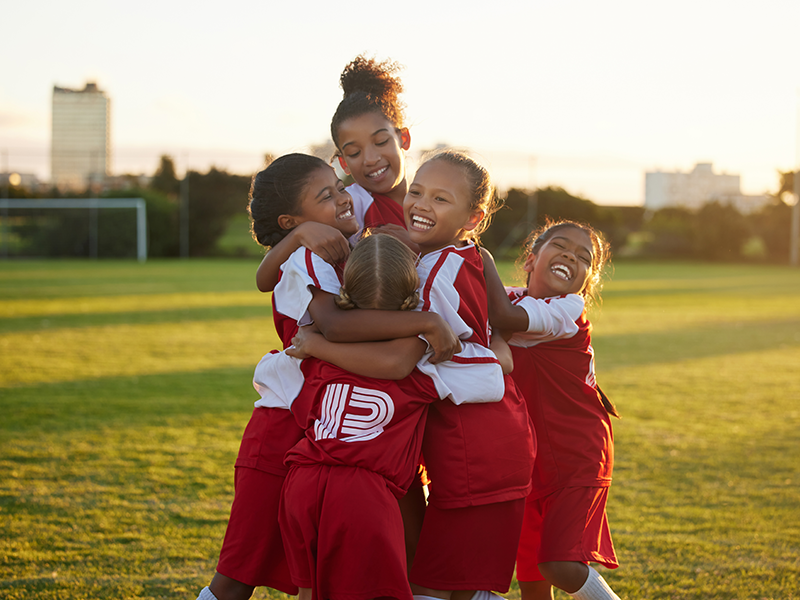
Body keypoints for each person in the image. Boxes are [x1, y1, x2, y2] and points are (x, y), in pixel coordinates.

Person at [196, 155, 459, 600]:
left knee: (402, 557)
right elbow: (333, 325)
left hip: (345, 425)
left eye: (339, 187)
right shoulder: (307, 255)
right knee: (239, 573)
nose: (343, 197)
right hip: (289, 425)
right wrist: (428, 322)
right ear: (291, 221)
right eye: (326, 195)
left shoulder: (343, 243)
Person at [253, 233, 508, 600]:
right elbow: (494, 375)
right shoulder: (422, 365)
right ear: (413, 297)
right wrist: (496, 336)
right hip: (363, 493)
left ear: (345, 291)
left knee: (311, 593)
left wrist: (316, 344)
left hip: (302, 482)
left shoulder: (315, 358)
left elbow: (268, 376)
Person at [403, 150, 536, 600]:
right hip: (492, 435)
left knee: (431, 587)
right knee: (467, 585)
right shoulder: (467, 255)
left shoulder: (432, 272)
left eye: (440, 199)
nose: (421, 204)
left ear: (473, 218)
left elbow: (420, 356)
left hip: (475, 448)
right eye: (416, 191)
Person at [481, 220, 622, 600]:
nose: (570, 256)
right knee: (532, 579)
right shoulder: (509, 297)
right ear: (531, 260)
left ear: (587, 281)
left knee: (558, 564)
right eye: (560, 246)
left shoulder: (569, 309)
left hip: (577, 454)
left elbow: (504, 319)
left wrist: (478, 254)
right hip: (530, 457)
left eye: (583, 257)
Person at [256, 54, 413, 293]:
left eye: (381, 141)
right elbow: (264, 280)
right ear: (344, 163)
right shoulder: (352, 204)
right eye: (354, 152)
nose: (371, 159)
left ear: (404, 139)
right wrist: (300, 234)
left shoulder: (431, 200)